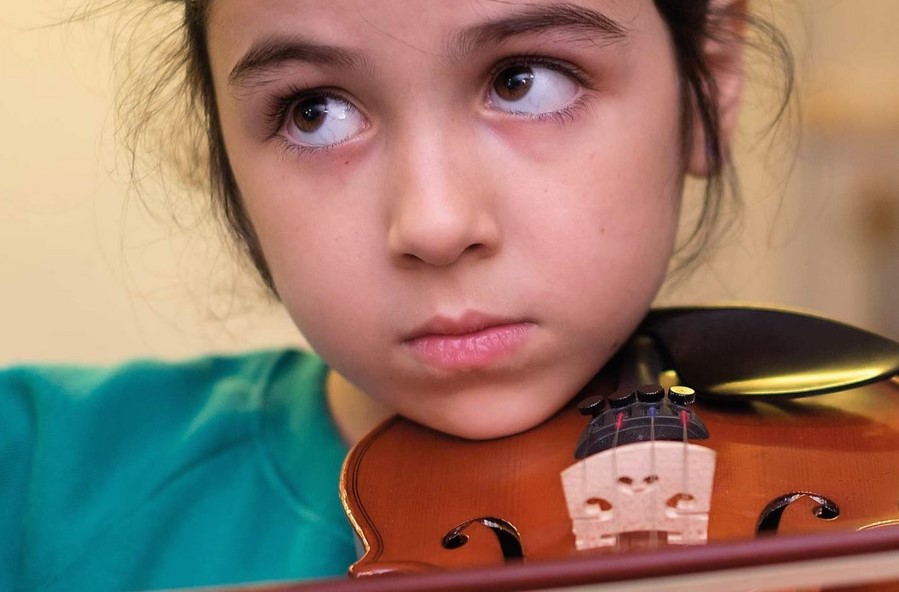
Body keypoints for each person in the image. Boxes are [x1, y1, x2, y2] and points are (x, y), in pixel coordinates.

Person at [1, 1, 792, 590]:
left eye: (523, 81)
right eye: (315, 112)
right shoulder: (33, 474)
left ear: (711, 81)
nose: (435, 224)